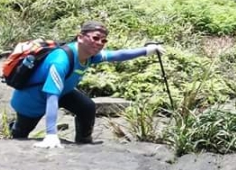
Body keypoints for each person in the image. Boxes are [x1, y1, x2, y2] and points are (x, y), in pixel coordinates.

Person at [9, 21, 163, 148]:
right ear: (80, 37)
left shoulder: (90, 55)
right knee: (21, 133)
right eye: (95, 38)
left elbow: (117, 55)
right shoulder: (60, 60)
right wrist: (51, 134)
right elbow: (51, 96)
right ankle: (14, 131)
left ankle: (83, 144)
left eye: (103, 40)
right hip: (33, 100)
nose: (99, 43)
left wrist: (147, 50)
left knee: (86, 107)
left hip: (62, 92)